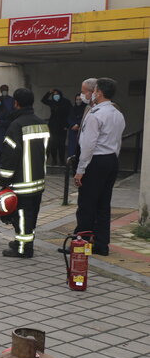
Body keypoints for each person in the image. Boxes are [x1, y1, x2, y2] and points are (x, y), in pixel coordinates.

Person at [74, 77, 126, 256]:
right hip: (111, 160)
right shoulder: (117, 113)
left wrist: (80, 170)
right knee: (103, 205)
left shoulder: (96, 115)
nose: (91, 94)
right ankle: (102, 244)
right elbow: (117, 141)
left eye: (94, 90)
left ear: (99, 93)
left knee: (87, 204)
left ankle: (80, 243)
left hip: (95, 162)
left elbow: (88, 145)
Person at [0, 88, 49, 258]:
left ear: (16, 103)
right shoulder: (42, 123)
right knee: (32, 215)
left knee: (22, 215)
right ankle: (24, 242)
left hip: (21, 181)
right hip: (38, 179)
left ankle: (23, 249)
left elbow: (9, 155)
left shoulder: (16, 125)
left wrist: (4, 179)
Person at [41, 89, 72, 166]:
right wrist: (49, 92)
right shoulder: (52, 102)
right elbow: (43, 100)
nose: (55, 96)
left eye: (57, 94)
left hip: (62, 126)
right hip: (53, 126)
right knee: (53, 144)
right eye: (54, 95)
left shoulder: (66, 102)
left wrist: (67, 125)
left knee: (61, 144)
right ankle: (54, 160)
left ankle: (62, 160)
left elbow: (70, 113)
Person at [67, 92, 86, 159]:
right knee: (72, 148)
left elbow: (84, 118)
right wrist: (73, 125)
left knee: (81, 149)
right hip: (73, 130)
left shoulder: (85, 109)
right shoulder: (72, 108)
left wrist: (78, 124)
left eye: (80, 99)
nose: (78, 101)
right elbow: (69, 118)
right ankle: (71, 164)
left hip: (81, 131)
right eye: (77, 99)